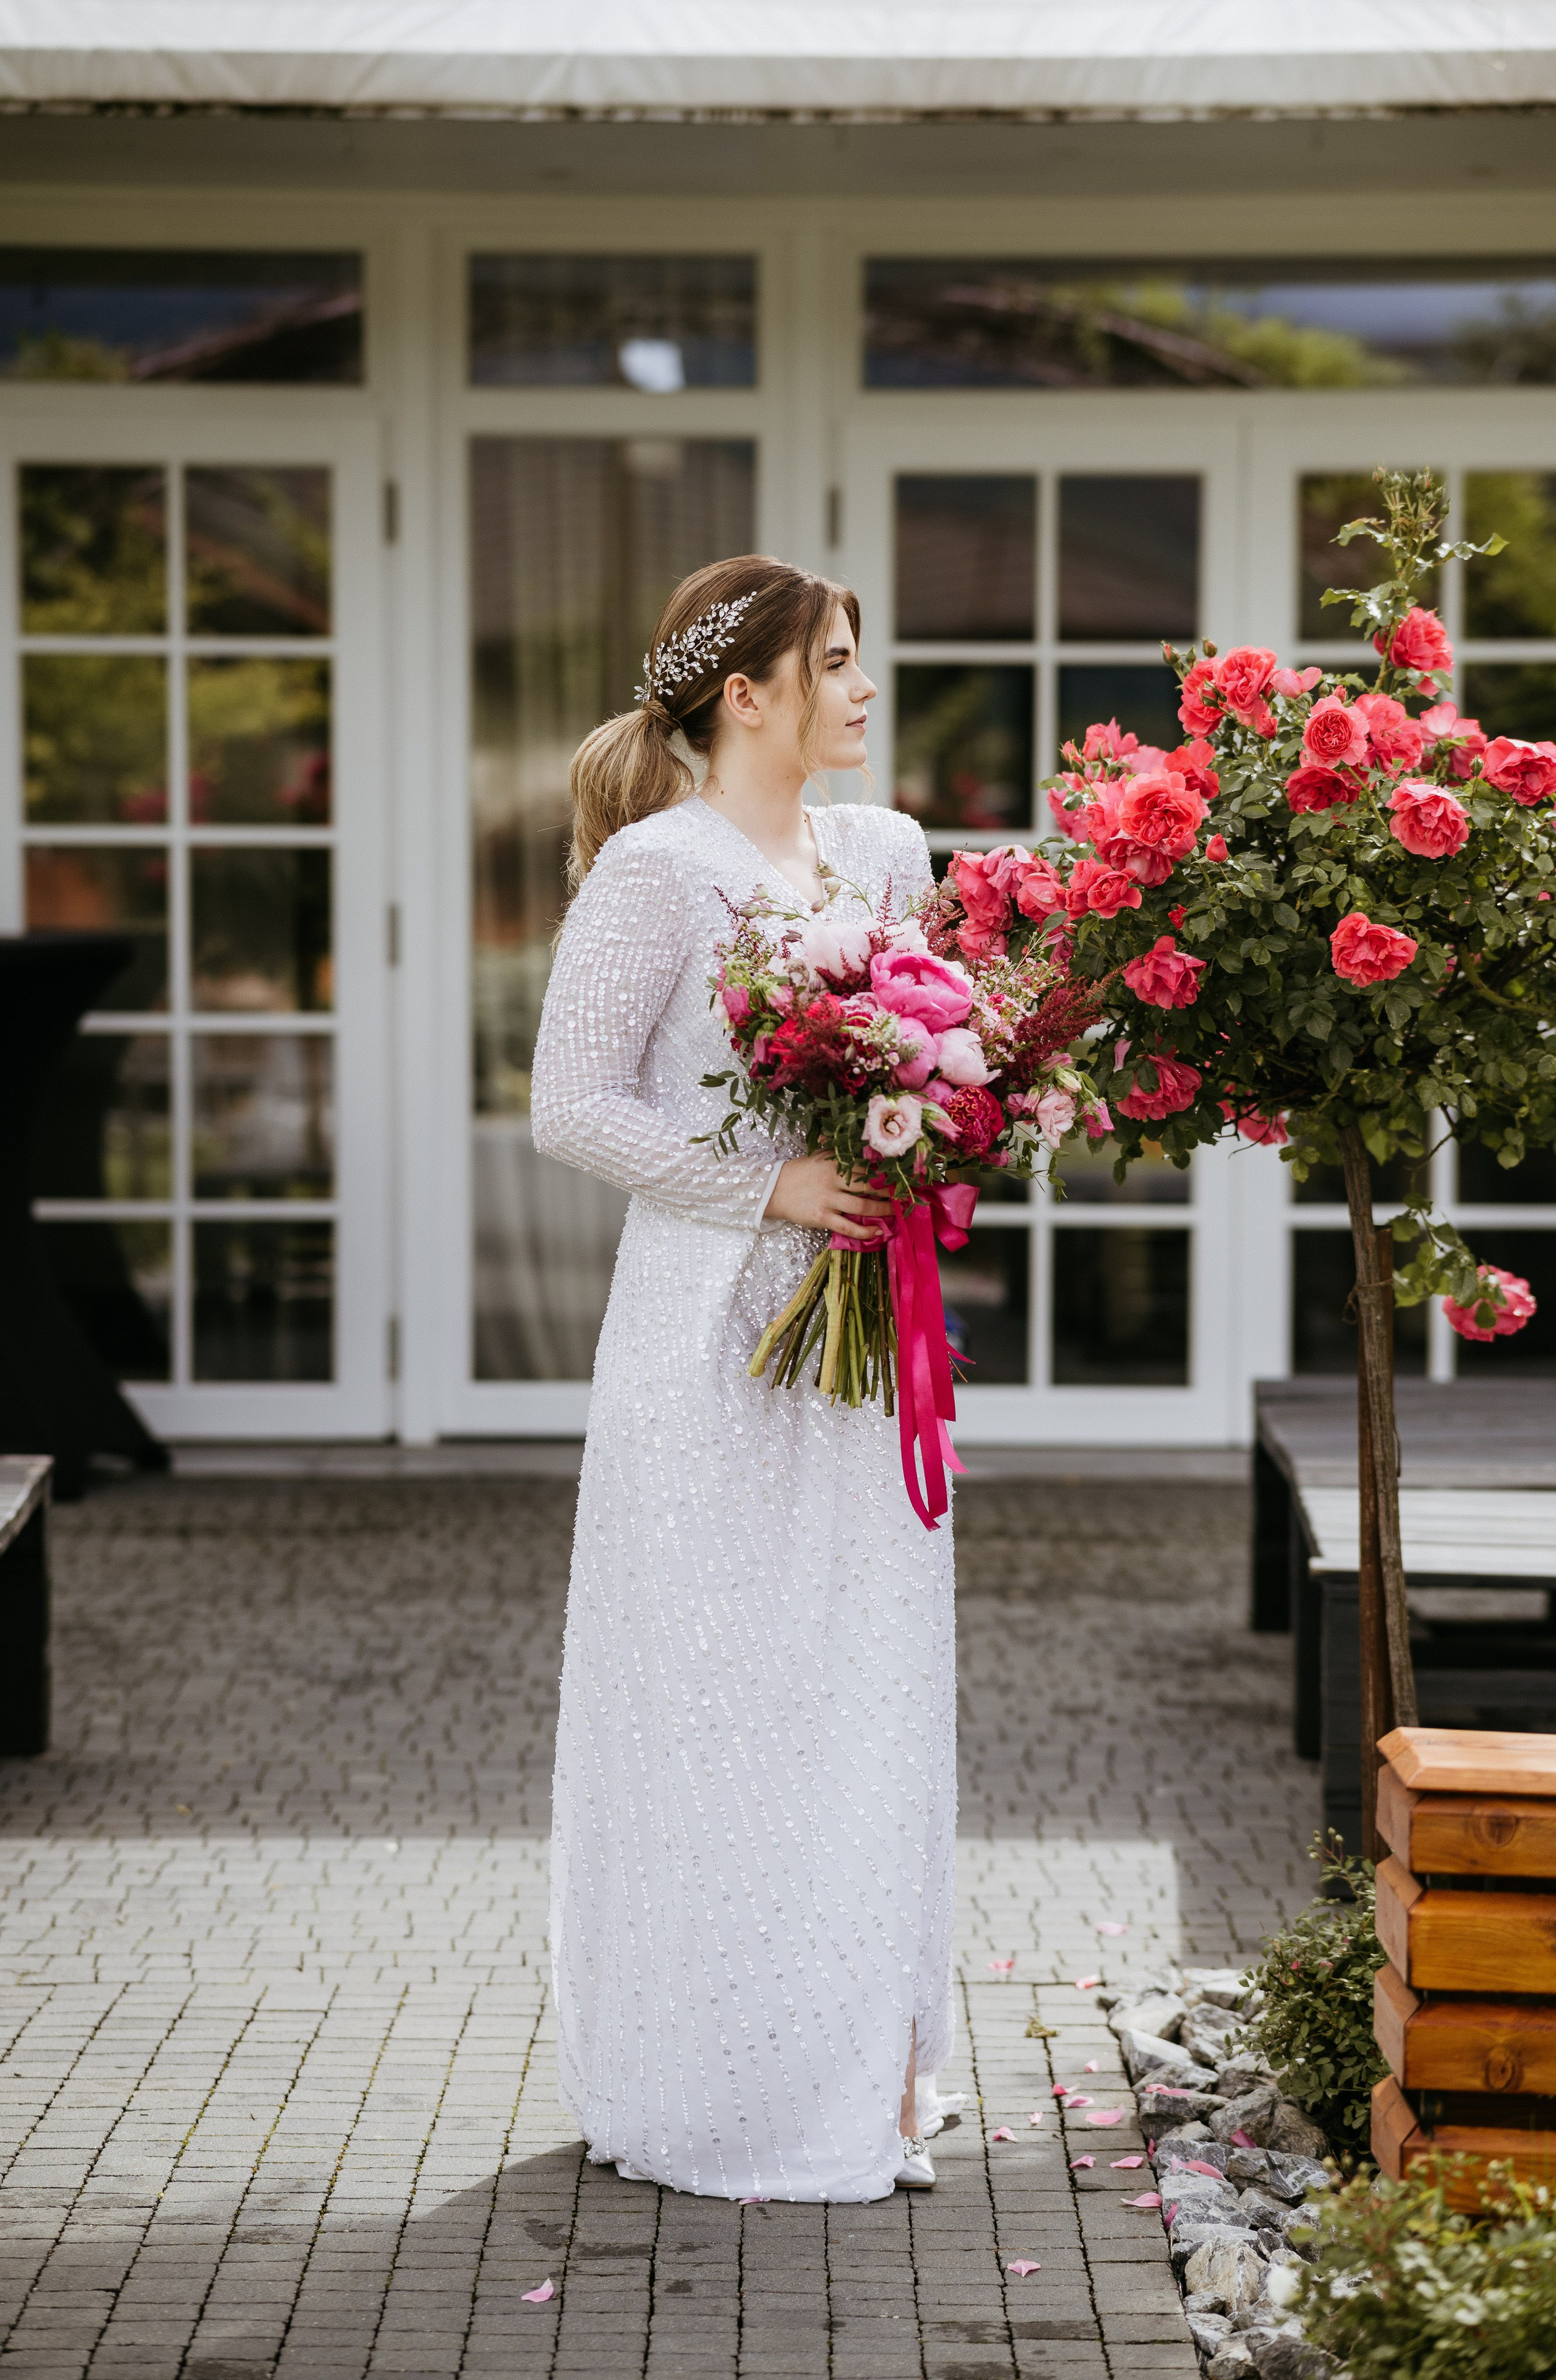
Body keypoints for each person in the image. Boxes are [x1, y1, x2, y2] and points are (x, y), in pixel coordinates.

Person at [532, 554, 958, 2201]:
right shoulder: (658, 870)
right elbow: (572, 1105)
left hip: (862, 1325)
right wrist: (767, 1183)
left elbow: (939, 1038)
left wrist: (941, 1113)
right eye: (836, 661)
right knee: (716, 1684)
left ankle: (865, 2071)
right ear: (747, 695)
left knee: (859, 1681)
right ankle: (712, 2081)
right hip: (709, 1329)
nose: (863, 688)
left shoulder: (888, 850)